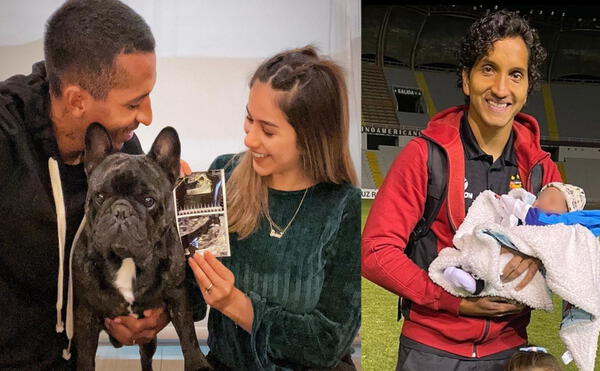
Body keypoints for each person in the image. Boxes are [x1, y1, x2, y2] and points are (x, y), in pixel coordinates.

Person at [362, 10, 563, 370]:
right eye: (488, 69)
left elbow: (574, 246)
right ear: (466, 79)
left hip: (510, 352)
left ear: (527, 89)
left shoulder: (540, 169)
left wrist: (541, 254)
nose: (501, 89)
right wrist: (449, 301)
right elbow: (376, 251)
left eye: (515, 74)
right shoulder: (424, 156)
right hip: (430, 353)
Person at [0, 1, 180, 368]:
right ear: (77, 100)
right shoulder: (6, 137)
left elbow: (121, 255)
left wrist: (142, 313)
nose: (147, 117)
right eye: (134, 103)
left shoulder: (121, 147)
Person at [188, 46, 361, 370]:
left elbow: (326, 343)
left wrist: (236, 304)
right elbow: (191, 302)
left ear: (311, 137)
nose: (250, 139)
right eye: (249, 119)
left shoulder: (344, 206)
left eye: (267, 130)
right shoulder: (220, 176)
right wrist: (181, 215)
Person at [444, 183, 600, 295]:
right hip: (509, 247)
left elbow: (530, 216)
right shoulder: (528, 215)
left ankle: (476, 282)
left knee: (496, 254)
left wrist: (508, 202)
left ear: (567, 213)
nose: (541, 201)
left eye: (551, 200)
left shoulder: (558, 227)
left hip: (522, 266)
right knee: (486, 244)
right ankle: (468, 272)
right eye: (542, 196)